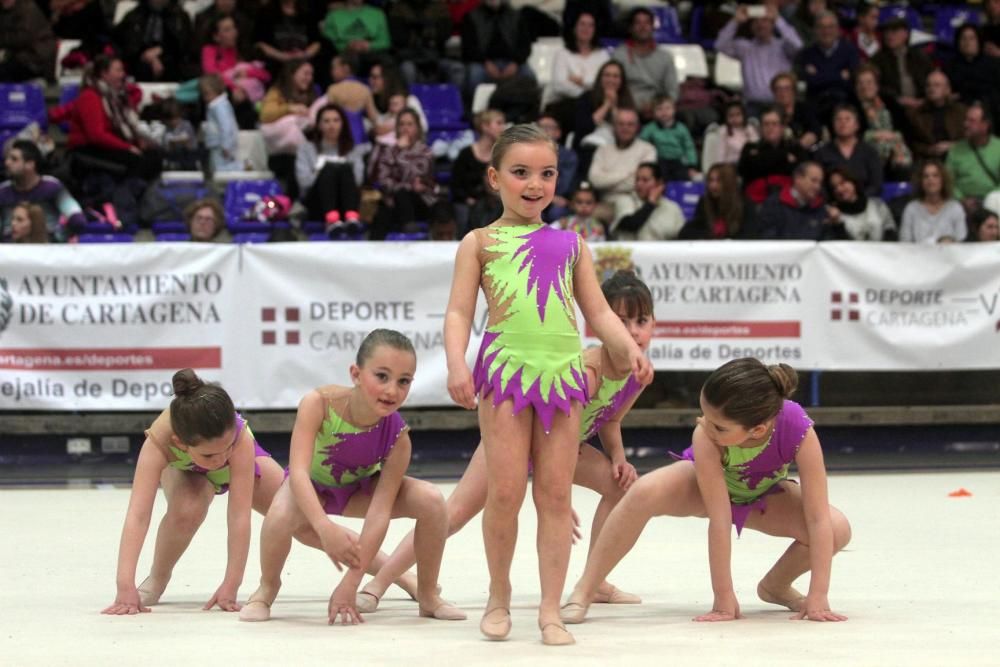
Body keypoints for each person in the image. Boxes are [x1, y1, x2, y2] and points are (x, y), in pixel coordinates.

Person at [443, 123, 653, 645]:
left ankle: (551, 609)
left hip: (562, 379)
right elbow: (457, 312)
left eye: (546, 173)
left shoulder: (572, 243)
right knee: (507, 491)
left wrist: (626, 347)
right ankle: (498, 597)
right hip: (506, 377)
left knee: (555, 497)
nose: (534, 184)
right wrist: (456, 364)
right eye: (520, 173)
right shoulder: (479, 243)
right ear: (494, 178)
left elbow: (598, 310)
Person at [354, 271, 655, 615]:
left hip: (563, 447)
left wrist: (618, 456)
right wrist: (554, 485)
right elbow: (555, 423)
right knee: (451, 515)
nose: (632, 332)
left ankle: (595, 581)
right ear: (601, 327)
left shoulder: (639, 374)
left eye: (641, 320)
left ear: (654, 323)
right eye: (621, 321)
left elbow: (611, 418)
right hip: (518, 436)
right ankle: (378, 583)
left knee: (621, 487)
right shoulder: (590, 369)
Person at [562, 358, 851, 624]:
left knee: (837, 527)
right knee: (642, 492)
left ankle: (775, 586)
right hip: (705, 488)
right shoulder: (705, 435)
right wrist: (723, 598)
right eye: (703, 415)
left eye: (719, 427)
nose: (704, 426)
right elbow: (720, 520)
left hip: (764, 494)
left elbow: (816, 517)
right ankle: (585, 589)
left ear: (758, 430)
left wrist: (819, 595)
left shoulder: (798, 429)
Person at [239, 330, 463, 623]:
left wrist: (351, 582)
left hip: (358, 491)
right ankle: (267, 588)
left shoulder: (398, 437)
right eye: (381, 376)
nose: (392, 390)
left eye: (403, 381)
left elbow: (379, 512)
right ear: (356, 373)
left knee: (432, 500)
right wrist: (323, 526)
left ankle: (429, 595)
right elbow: (298, 474)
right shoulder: (318, 403)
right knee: (279, 515)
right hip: (312, 487)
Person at [101, 369, 285, 615]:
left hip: (240, 457)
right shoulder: (159, 441)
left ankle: (355, 569)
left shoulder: (237, 439)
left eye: (225, 448)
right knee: (187, 509)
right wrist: (124, 585)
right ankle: (158, 577)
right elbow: (138, 516)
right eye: (210, 454)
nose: (220, 459)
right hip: (185, 470)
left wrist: (231, 584)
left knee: (297, 514)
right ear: (179, 442)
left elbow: (239, 516)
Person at [715, 3, 803, 114]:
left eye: (765, 21)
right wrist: (735, 21)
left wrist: (778, 19)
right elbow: (719, 45)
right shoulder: (745, 47)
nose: (761, 25)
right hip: (753, 105)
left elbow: (798, 46)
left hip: (779, 104)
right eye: (756, 21)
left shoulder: (783, 46)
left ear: (772, 24)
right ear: (752, 26)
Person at [369, 109, 439, 239]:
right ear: (397, 128)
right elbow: (383, 180)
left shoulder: (426, 152)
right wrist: (398, 150)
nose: (405, 128)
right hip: (394, 201)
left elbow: (418, 176)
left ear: (417, 128)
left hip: (420, 201)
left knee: (403, 193)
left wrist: (399, 155)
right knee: (383, 213)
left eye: (409, 124)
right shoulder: (389, 151)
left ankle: (411, 231)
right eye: (402, 124)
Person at [0, 140, 86, 242]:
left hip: (47, 252)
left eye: (14, 159)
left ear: (30, 164)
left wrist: (58, 239)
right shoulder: (2, 191)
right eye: (7, 159)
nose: (7, 163)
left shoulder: (52, 187)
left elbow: (77, 219)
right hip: (9, 253)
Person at [296, 104, 365, 225]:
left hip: (345, 200)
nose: (331, 125)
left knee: (345, 168)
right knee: (329, 169)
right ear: (319, 125)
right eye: (326, 121)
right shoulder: (306, 149)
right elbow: (304, 182)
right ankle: (331, 219)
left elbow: (358, 180)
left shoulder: (353, 149)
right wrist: (322, 172)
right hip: (317, 201)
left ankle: (351, 218)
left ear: (343, 124)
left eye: (336, 120)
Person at [588, 107, 656, 221]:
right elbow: (594, 180)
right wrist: (628, 173)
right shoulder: (603, 150)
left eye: (630, 124)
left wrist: (607, 180)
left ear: (637, 127)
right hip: (605, 203)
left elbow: (638, 183)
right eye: (621, 124)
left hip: (634, 204)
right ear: (614, 127)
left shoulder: (648, 150)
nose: (625, 128)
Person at [611, 8, 679, 119]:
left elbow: (672, 92)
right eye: (638, 23)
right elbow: (612, 88)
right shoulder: (619, 55)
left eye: (647, 23)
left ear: (653, 27)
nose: (643, 27)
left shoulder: (665, 57)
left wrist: (658, 107)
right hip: (625, 111)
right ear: (631, 28)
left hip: (658, 113)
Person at [757, 161, 845, 240]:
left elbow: (830, 243)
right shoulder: (774, 204)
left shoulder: (821, 207)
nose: (818, 187)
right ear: (798, 178)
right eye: (813, 180)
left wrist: (837, 224)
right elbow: (767, 238)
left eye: (820, 183)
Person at [113, 0, 197, 82]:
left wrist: (161, 50)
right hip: (139, 58)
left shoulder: (180, 16)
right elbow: (123, 41)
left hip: (172, 58)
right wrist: (146, 55)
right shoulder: (134, 15)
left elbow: (184, 44)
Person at [450, 109, 506, 232]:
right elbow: (456, 185)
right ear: (485, 126)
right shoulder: (465, 154)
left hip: (495, 203)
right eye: (499, 123)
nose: (503, 127)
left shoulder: (503, 155)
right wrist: (468, 199)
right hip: (468, 203)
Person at [737, 107, 806, 205]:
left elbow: (799, 173)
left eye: (774, 124)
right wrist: (783, 156)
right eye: (766, 124)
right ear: (760, 128)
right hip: (756, 202)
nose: (770, 128)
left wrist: (762, 159)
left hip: (789, 202)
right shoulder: (750, 147)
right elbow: (746, 170)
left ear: (782, 127)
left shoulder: (795, 148)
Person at [853, 64, 912, 178]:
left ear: (876, 85)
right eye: (860, 83)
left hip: (895, 144)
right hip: (867, 147)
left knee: (901, 157)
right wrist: (876, 135)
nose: (865, 86)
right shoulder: (852, 106)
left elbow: (906, 128)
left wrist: (894, 137)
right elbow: (854, 135)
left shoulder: (890, 103)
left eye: (869, 82)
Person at [814, 104, 883, 197]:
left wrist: (858, 200)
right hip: (833, 206)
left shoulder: (869, 152)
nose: (843, 123)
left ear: (856, 125)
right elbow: (818, 184)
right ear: (833, 125)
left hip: (865, 203)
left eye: (847, 119)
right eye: (838, 119)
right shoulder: (822, 153)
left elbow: (876, 185)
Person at [610, 161, 685, 241]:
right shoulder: (625, 201)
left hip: (663, 252)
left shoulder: (672, 208)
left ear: (659, 183)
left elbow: (681, 238)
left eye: (645, 180)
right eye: (637, 179)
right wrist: (651, 203)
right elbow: (631, 225)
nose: (639, 184)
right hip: (633, 252)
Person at [869, 17, 932, 110]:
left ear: (906, 34)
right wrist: (898, 99)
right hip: (892, 107)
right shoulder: (877, 60)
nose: (889, 35)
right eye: (886, 32)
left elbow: (930, 79)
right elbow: (875, 86)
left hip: (922, 106)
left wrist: (924, 100)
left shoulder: (920, 57)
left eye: (894, 31)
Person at [680, 163, 757, 240]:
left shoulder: (745, 204)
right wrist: (708, 237)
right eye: (710, 180)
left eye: (719, 181)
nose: (713, 185)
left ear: (729, 182)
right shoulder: (704, 202)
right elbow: (688, 231)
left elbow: (750, 233)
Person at [945, 103, 1000, 207]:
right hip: (962, 203)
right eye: (966, 120)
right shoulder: (956, 150)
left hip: (994, 200)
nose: (966, 124)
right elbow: (948, 181)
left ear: (985, 125)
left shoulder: (998, 147)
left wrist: (991, 198)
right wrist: (961, 199)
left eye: (972, 121)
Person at [548, 11, 609, 105]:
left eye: (591, 25)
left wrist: (582, 82)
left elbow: (606, 85)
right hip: (565, 103)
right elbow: (559, 85)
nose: (586, 29)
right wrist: (587, 92)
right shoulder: (562, 54)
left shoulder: (603, 55)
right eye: (582, 24)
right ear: (574, 28)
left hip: (596, 104)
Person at [899, 159, 966, 243]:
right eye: (926, 176)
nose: (930, 179)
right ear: (921, 182)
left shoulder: (955, 208)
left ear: (943, 180)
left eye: (935, 175)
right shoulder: (911, 208)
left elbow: (961, 242)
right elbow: (905, 243)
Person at [905, 70, 966, 162]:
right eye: (928, 85)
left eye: (937, 85)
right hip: (928, 160)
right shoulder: (916, 114)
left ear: (947, 89)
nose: (931, 88)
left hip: (957, 156)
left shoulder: (961, 111)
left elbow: (970, 138)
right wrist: (931, 150)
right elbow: (912, 143)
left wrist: (953, 146)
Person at [259, 59, 316, 156]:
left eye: (311, 74)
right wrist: (289, 108)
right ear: (292, 74)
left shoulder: (312, 94)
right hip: (280, 150)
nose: (309, 78)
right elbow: (265, 115)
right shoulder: (277, 92)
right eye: (306, 74)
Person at [252, 0, 322, 77]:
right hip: (276, 66)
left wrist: (304, 55)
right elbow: (259, 43)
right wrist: (282, 56)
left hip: (304, 65)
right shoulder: (266, 12)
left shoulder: (308, 13)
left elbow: (317, 42)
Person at [825, 166, 896, 241]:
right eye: (834, 187)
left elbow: (891, 232)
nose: (839, 189)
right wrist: (837, 224)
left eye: (842, 183)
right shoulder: (834, 214)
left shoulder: (878, 204)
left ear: (853, 182)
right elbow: (840, 247)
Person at [322, 0, 391, 75]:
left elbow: (385, 42)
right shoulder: (333, 16)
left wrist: (368, 45)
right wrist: (347, 46)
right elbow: (327, 42)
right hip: (344, 54)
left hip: (372, 55)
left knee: (387, 60)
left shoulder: (378, 14)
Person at [639, 95, 699, 182]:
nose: (664, 112)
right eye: (659, 109)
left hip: (679, 160)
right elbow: (641, 142)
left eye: (668, 108)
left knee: (683, 178)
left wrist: (692, 165)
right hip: (660, 160)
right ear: (653, 113)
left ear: (674, 110)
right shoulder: (650, 128)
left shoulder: (681, 128)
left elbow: (689, 147)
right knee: (661, 178)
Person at [0, 0, 57, 82]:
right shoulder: (5, 10)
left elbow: (23, 38)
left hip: (36, 58)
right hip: (19, 57)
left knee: (5, 72)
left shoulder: (27, 8)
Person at [701, 101, 760, 173]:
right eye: (731, 115)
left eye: (738, 115)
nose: (735, 118)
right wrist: (721, 169)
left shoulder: (749, 128)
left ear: (743, 115)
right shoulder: (723, 131)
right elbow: (720, 153)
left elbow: (756, 146)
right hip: (730, 165)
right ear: (726, 117)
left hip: (748, 163)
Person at [201, 74, 242, 174]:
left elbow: (226, 126)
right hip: (218, 144)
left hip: (222, 145)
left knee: (224, 169)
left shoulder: (219, 106)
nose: (204, 98)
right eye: (203, 94)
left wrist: (226, 145)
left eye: (207, 94)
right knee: (218, 168)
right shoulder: (216, 106)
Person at [770, 72, 820, 150]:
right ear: (773, 92)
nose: (783, 93)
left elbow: (814, 131)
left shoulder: (806, 110)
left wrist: (798, 148)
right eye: (778, 89)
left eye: (787, 88)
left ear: (794, 91)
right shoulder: (769, 112)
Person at [159, 98, 199, 172]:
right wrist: (171, 144)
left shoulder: (187, 125)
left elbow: (192, 144)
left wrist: (185, 142)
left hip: (188, 156)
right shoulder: (167, 129)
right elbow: (165, 146)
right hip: (174, 157)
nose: (173, 122)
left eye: (176, 118)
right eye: (170, 120)